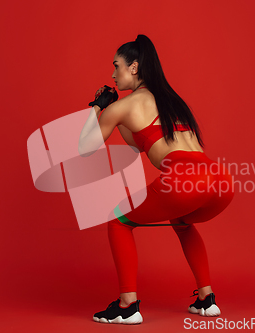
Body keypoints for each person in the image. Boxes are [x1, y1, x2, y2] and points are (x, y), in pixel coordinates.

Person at [81, 34, 234, 325]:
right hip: (220, 180)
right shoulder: (170, 100)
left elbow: (85, 148)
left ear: (134, 67)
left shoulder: (124, 105)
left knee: (118, 220)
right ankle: (206, 299)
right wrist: (113, 115)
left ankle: (127, 306)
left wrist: (98, 107)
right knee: (182, 221)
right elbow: (136, 144)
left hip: (185, 179)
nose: (113, 74)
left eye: (117, 66)